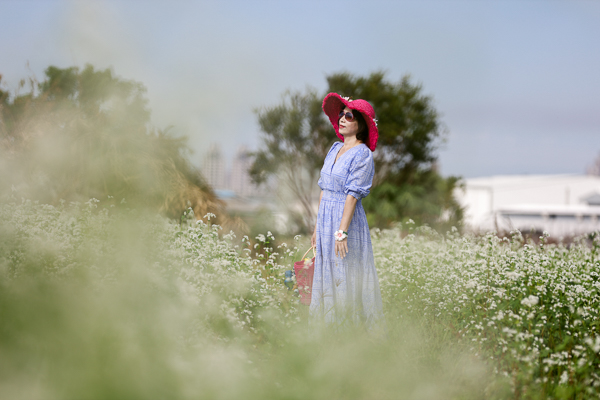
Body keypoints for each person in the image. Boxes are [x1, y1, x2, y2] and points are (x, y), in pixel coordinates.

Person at [309, 93, 385, 332]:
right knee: (326, 270)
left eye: (348, 115)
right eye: (341, 114)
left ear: (360, 124)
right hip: (325, 220)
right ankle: (326, 331)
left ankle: (350, 332)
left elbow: (352, 195)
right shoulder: (334, 149)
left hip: (346, 220)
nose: (342, 118)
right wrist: (317, 228)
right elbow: (324, 188)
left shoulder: (363, 154)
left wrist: (341, 231)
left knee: (346, 270)